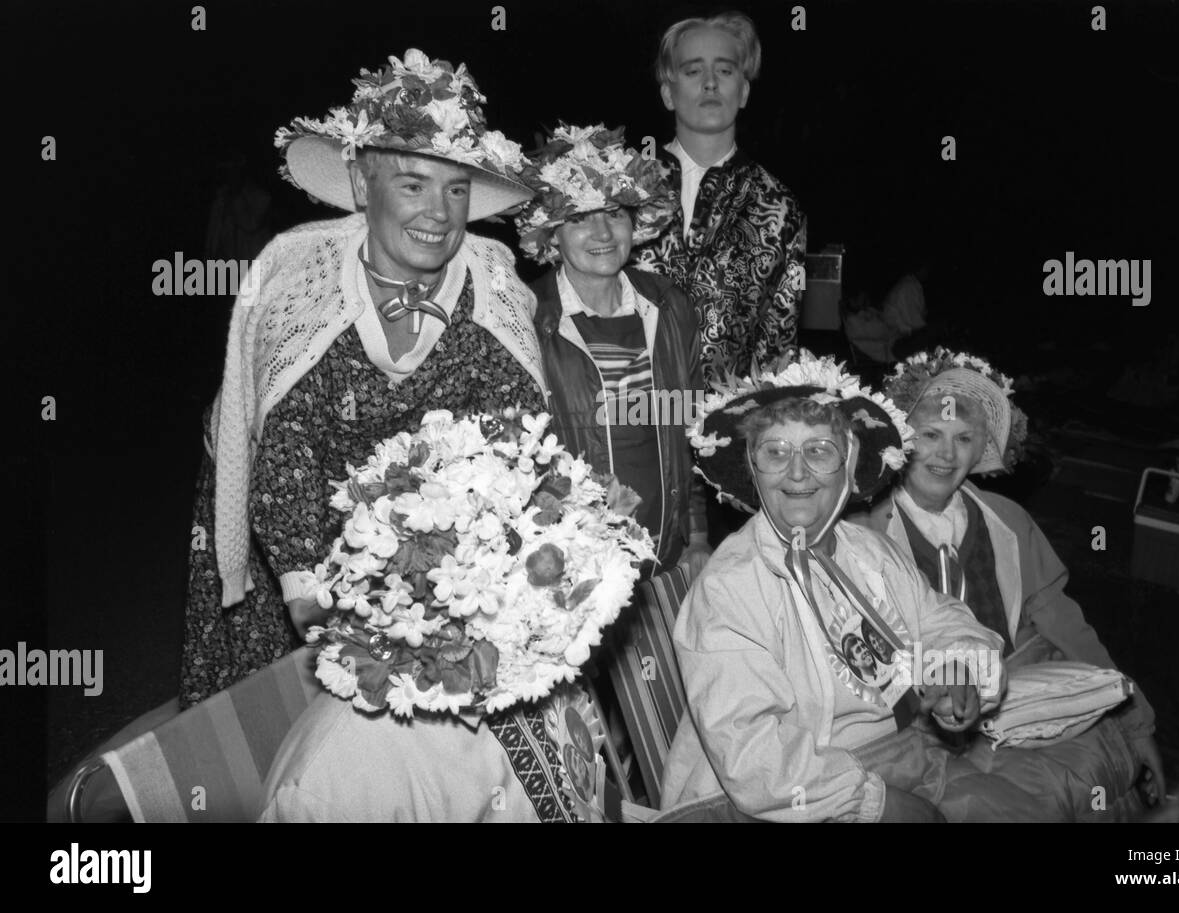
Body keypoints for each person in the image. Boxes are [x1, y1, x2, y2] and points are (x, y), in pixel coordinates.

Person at [177, 49, 589, 821]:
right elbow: (285, 454)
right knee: (292, 742)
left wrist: (492, 580)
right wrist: (316, 601)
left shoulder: (493, 283)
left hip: (429, 547)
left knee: (444, 735)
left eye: (456, 188)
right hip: (290, 534)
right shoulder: (295, 271)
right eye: (412, 183)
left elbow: (513, 444)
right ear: (363, 184)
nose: (437, 212)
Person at [656, 352, 1068, 822]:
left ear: (849, 467)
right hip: (776, 801)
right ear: (753, 467)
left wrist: (959, 666)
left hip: (894, 758)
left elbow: (941, 618)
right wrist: (877, 804)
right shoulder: (731, 587)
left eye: (818, 450)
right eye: (775, 451)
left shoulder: (868, 552)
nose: (796, 472)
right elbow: (754, 757)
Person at [850, 347, 1165, 812]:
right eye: (931, 434)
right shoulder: (861, 533)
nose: (945, 453)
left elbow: (1066, 625)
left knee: (1094, 785)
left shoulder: (1008, 521)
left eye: (964, 438)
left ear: (982, 449)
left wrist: (1138, 726)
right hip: (912, 721)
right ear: (902, 440)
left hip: (1018, 699)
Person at [514, 124, 708, 575]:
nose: (602, 231)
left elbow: (694, 427)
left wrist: (697, 534)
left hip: (669, 553)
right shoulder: (526, 317)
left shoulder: (668, 304)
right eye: (579, 217)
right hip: (575, 565)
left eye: (616, 212)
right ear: (550, 233)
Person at [633, 11, 807, 387]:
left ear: (743, 91)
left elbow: (779, 349)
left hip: (724, 430)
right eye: (693, 71)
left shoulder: (778, 206)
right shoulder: (620, 187)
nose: (710, 83)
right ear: (668, 92)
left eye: (725, 71)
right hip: (625, 421)